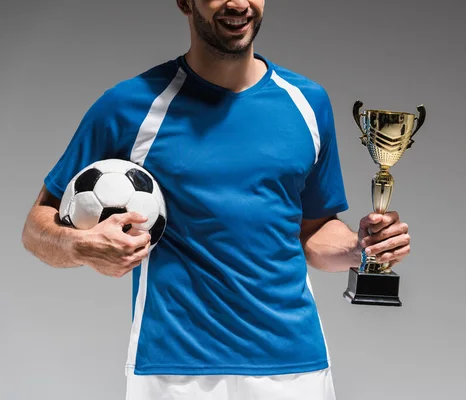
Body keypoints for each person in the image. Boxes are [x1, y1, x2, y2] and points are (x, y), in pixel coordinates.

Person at [21, 1, 411, 399]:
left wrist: (362, 248)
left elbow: (311, 232)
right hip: (174, 370)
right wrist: (84, 246)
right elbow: (37, 228)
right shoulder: (129, 106)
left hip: (294, 368)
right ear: (185, 3)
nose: (240, 4)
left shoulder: (307, 103)